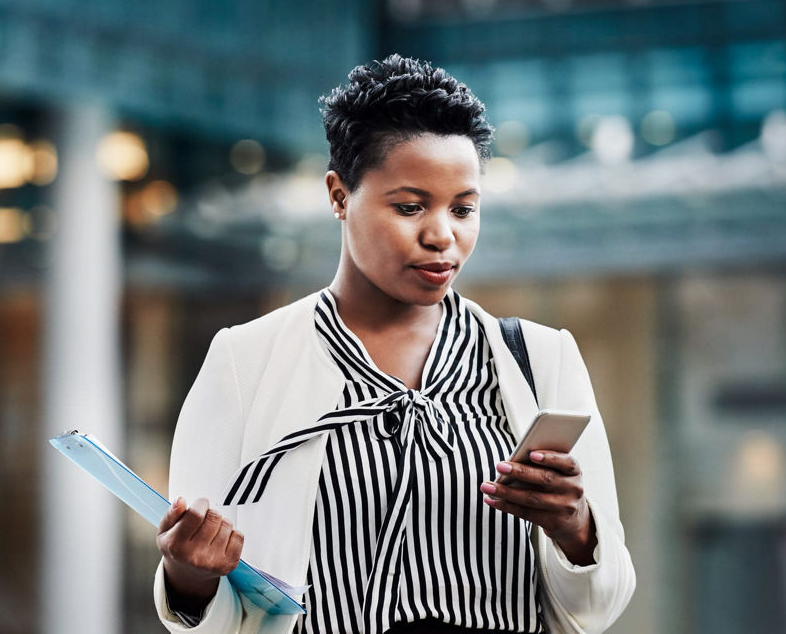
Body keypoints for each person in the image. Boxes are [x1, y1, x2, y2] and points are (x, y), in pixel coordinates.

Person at [152, 55, 635, 634]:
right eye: (410, 207)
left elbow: (599, 609)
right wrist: (190, 577)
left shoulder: (541, 361)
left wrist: (575, 528)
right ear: (338, 195)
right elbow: (216, 610)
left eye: (464, 209)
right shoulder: (244, 363)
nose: (442, 235)